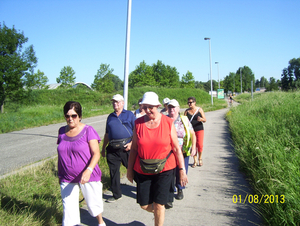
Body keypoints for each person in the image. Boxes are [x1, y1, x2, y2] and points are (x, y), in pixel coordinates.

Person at [127, 92, 188, 226]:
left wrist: (182, 170)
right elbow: (134, 149)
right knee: (144, 205)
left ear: (158, 106)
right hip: (143, 169)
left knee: (159, 204)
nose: (148, 110)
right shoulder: (138, 123)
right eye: (145, 107)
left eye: (151, 107)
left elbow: (177, 149)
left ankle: (159, 219)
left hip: (165, 169)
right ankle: (159, 214)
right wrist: (129, 170)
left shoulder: (167, 122)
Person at [57, 101, 105, 226]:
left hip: (88, 175)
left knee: (94, 205)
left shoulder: (88, 130)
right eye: (67, 116)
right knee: (68, 210)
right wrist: (60, 174)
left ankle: (101, 222)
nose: (70, 119)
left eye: (74, 116)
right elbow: (61, 154)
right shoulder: (61, 131)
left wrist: (89, 170)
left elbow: (96, 153)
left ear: (80, 116)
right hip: (67, 177)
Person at [101, 94, 136, 203]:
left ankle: (142, 188)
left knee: (133, 169)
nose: (115, 104)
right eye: (113, 102)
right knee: (113, 172)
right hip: (112, 148)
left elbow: (136, 131)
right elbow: (107, 134)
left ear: (122, 103)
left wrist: (131, 144)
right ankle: (116, 194)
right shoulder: (110, 116)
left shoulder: (129, 115)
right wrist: (103, 148)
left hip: (126, 148)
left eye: (117, 102)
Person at [167, 99, 196, 206]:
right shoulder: (164, 119)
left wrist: (193, 147)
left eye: (174, 107)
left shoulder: (184, 119)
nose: (172, 109)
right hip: (168, 152)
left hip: (182, 150)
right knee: (169, 173)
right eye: (170, 107)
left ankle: (180, 189)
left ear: (178, 109)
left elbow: (192, 133)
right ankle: (169, 195)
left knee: (181, 171)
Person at [184, 96, 206, 167]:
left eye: (191, 102)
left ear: (194, 102)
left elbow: (205, 120)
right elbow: (184, 121)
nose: (189, 104)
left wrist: (201, 119)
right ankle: (195, 161)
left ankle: (200, 158)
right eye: (188, 102)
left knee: (199, 145)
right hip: (191, 130)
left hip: (199, 129)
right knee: (193, 145)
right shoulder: (186, 111)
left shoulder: (199, 110)